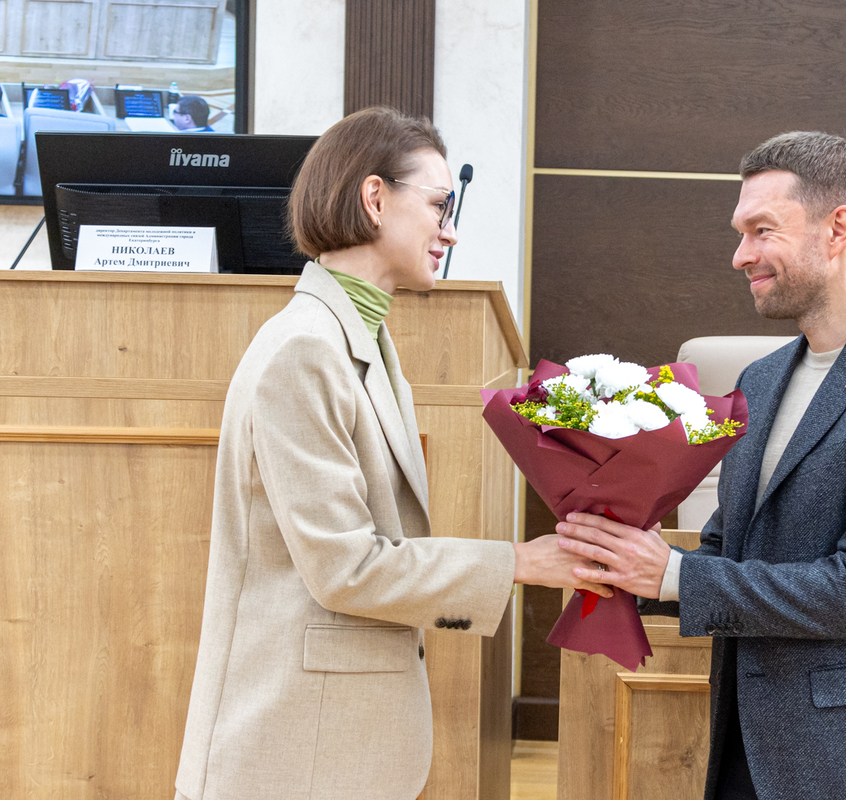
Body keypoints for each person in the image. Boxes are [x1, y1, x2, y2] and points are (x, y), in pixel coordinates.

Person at [173, 107, 609, 800]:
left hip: (335, 742)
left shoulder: (363, 340)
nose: (451, 230)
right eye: (439, 205)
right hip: (295, 746)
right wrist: (522, 562)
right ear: (375, 199)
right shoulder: (305, 351)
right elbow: (345, 568)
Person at [557, 131, 846, 800]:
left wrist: (670, 577)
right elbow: (732, 548)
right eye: (739, 233)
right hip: (746, 749)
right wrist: (615, 559)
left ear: (837, 228)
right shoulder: (759, 380)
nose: (739, 256)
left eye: (761, 231)